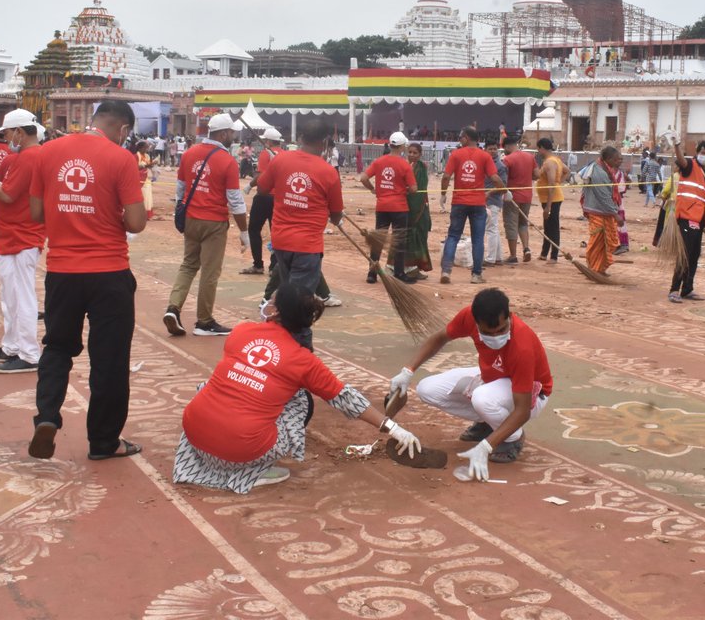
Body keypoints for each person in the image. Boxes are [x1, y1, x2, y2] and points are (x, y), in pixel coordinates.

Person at [174, 283, 424, 493]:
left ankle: (218, 458)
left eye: (271, 300)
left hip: (195, 437)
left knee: (216, 385)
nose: (266, 303)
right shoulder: (303, 361)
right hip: (241, 450)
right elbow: (345, 399)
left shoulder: (242, 331)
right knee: (300, 397)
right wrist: (394, 428)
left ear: (275, 313)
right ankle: (253, 470)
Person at [27, 100, 147, 462]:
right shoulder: (121, 159)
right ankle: (103, 441)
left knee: (58, 348)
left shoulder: (47, 152)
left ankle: (47, 417)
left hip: (63, 271)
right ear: (123, 130)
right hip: (108, 272)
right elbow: (137, 223)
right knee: (109, 359)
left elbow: (35, 212)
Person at [388, 288, 553, 480]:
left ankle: (512, 438)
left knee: (482, 398)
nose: (495, 336)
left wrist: (485, 447)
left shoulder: (522, 346)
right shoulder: (468, 316)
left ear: (509, 316)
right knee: (426, 389)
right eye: (486, 332)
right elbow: (440, 338)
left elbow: (522, 410)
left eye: (501, 330)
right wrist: (407, 371)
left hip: (533, 393)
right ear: (476, 323)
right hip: (492, 377)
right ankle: (488, 423)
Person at [257, 118, 344, 347]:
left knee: (289, 300)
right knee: (300, 309)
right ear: (325, 142)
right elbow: (336, 216)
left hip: (281, 242)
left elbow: (262, 188)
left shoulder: (281, 160)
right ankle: (299, 358)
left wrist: (283, 189)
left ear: (300, 137)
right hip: (307, 247)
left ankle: (281, 345)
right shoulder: (328, 172)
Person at [164, 113, 250, 337]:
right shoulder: (227, 160)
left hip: (191, 218)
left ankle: (173, 308)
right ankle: (204, 321)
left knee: (188, 265)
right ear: (222, 133)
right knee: (210, 272)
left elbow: (181, 189)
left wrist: (181, 212)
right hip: (213, 222)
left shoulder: (189, 154)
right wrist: (244, 231)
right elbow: (235, 201)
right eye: (231, 133)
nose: (232, 136)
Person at [0, 110, 46, 374]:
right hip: (14, 236)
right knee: (11, 296)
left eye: (6, 133)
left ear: (19, 131)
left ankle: (28, 353)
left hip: (21, 235)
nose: (4, 139)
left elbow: (7, 194)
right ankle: (12, 346)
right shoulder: (27, 157)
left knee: (21, 297)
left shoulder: (29, 157)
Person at [440, 127, 504, 284]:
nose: (460, 139)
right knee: (477, 239)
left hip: (459, 202)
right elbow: (495, 178)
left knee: (453, 236)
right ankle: (476, 275)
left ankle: (446, 272)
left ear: (467, 138)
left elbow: (446, 176)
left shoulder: (456, 154)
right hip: (477, 203)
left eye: (461, 137)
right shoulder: (484, 156)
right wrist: (503, 190)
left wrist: (443, 193)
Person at [360, 131, 417, 284]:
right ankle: (399, 273)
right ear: (402, 146)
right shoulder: (404, 165)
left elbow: (363, 178)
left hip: (382, 206)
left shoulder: (379, 161)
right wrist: (403, 189)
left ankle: (372, 273)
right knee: (398, 241)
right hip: (399, 208)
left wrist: (373, 189)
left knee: (378, 240)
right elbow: (413, 188)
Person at [668, 138, 705, 303]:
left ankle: (687, 289)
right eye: (703, 153)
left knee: (694, 256)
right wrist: (676, 145)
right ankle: (674, 290)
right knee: (685, 255)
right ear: (697, 153)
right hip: (687, 219)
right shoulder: (690, 166)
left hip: (698, 220)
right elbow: (681, 160)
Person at [241, 127, 284, 276]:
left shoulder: (266, 154)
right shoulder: (285, 154)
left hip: (264, 197)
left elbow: (260, 177)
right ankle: (274, 266)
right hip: (279, 199)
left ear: (268, 141)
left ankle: (258, 265)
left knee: (254, 229)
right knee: (276, 232)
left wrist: (249, 185)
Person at [580, 145, 622, 274]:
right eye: (616, 160)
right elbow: (603, 196)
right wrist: (615, 214)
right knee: (597, 240)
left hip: (603, 210)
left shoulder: (605, 169)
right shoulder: (599, 172)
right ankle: (593, 267)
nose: (618, 162)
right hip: (597, 210)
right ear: (608, 159)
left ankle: (600, 267)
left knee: (604, 243)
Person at [397, 141, 433, 276]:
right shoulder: (404, 166)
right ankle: (408, 268)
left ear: (420, 154)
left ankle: (415, 268)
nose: (412, 155)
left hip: (419, 208)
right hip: (405, 207)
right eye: (410, 152)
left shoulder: (422, 168)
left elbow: (419, 189)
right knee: (407, 238)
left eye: (415, 153)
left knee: (420, 236)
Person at [500, 136, 537, 264]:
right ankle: (526, 249)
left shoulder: (507, 160)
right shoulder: (530, 157)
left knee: (511, 224)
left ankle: (513, 255)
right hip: (527, 196)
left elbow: (502, 178)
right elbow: (537, 175)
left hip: (512, 196)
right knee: (522, 223)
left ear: (507, 146)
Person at [535, 138, 568, 264]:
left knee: (553, 227)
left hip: (552, 200)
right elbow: (567, 171)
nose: (538, 151)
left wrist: (548, 206)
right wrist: (559, 183)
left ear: (542, 148)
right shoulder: (555, 160)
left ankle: (554, 255)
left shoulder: (550, 162)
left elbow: (551, 183)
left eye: (538, 149)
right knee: (547, 226)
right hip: (549, 198)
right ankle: (544, 253)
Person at [482, 147, 509, 269]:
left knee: (490, 229)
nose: (492, 151)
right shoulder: (484, 163)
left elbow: (503, 185)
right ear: (485, 149)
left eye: (494, 149)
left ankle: (490, 259)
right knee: (494, 228)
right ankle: (498, 258)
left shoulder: (500, 166)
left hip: (493, 201)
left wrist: (489, 193)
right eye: (490, 149)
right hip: (485, 200)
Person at [135, 140, 155, 219]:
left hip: (146, 178)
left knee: (148, 196)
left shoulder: (147, 156)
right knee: (142, 196)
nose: (147, 150)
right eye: (145, 148)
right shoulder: (136, 156)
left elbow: (149, 166)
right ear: (140, 148)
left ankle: (147, 214)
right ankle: (140, 214)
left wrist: (152, 164)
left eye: (147, 148)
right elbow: (134, 168)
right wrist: (145, 166)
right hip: (139, 179)